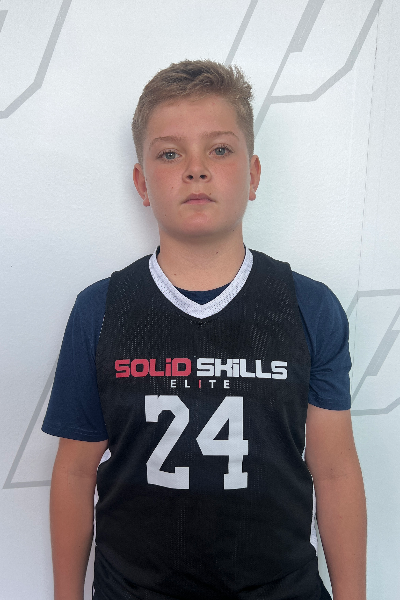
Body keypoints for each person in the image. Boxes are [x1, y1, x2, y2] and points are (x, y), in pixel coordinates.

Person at [43, 59, 367, 600]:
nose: (196, 169)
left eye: (219, 149)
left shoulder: (309, 307)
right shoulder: (99, 309)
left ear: (253, 175)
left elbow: (334, 471)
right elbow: (75, 474)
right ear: (142, 183)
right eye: (170, 154)